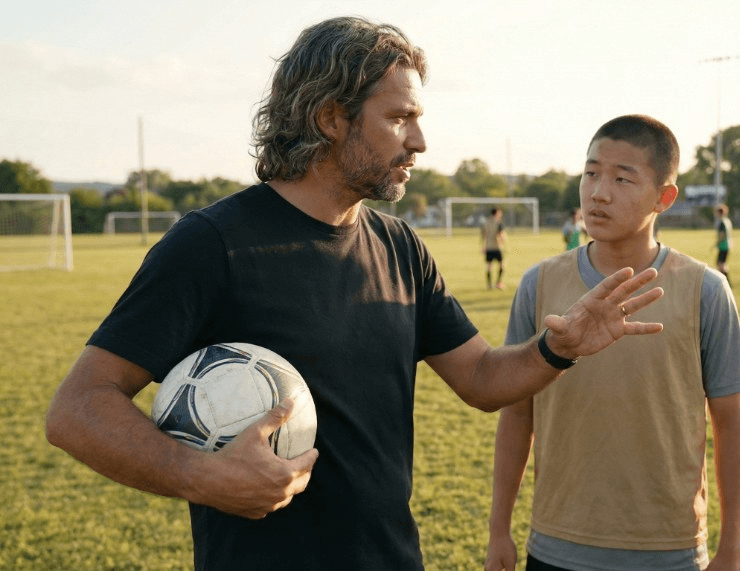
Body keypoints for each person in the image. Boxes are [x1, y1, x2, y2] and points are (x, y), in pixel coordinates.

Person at [44, 17, 668, 571]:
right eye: (399, 118)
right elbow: (77, 408)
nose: (418, 142)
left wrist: (556, 350)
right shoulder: (211, 244)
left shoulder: (400, 246)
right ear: (330, 117)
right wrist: (200, 476)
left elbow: (479, 377)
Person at [487, 115, 740, 571]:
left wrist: (733, 546)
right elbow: (517, 412)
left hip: (669, 551)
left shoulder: (704, 290)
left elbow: (730, 424)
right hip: (556, 545)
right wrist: (499, 531)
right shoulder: (540, 284)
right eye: (590, 173)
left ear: (664, 197)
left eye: (621, 178)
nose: (598, 192)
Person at [482, 207, 507, 289]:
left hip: (488, 247)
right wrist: (503, 240)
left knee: (489, 266)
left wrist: (483, 246)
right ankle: (498, 283)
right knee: (501, 265)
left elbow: (483, 235)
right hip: (497, 247)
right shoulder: (499, 223)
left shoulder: (486, 223)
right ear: (497, 213)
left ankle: (489, 285)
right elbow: (501, 235)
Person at [713, 203, 732, 285]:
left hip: (723, 246)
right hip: (727, 245)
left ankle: (726, 281)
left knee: (721, 264)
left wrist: (717, 243)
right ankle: (726, 281)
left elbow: (722, 234)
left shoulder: (722, 222)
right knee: (720, 263)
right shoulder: (727, 221)